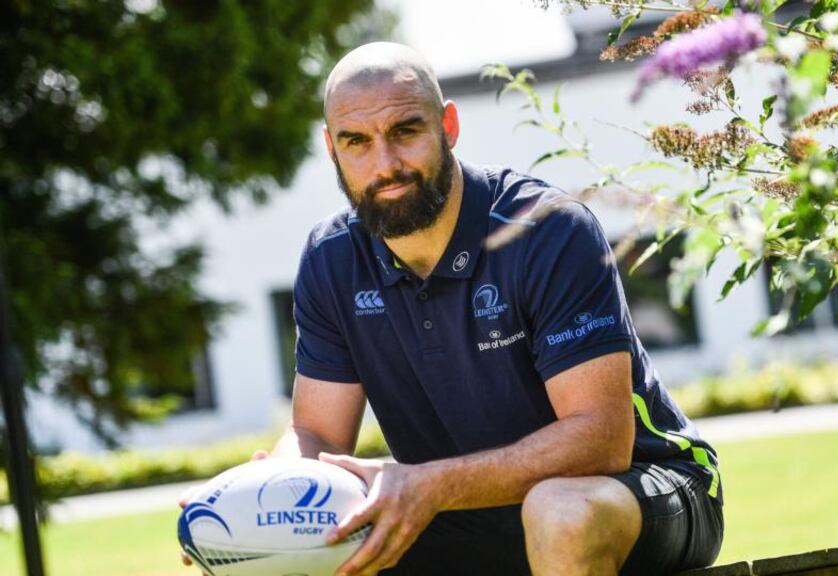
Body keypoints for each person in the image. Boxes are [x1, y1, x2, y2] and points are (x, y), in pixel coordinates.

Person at [184, 41, 723, 576]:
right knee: (313, 540)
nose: (385, 165)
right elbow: (319, 437)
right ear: (332, 149)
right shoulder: (331, 259)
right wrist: (257, 499)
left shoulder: (547, 230)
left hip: (640, 486)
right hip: (462, 508)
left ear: (448, 126)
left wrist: (431, 485)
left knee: (559, 512)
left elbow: (600, 441)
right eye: (357, 142)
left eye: (405, 131)